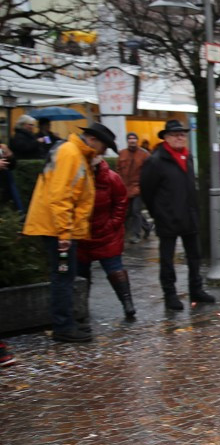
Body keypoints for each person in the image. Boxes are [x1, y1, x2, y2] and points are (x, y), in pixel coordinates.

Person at [22, 122, 115, 342]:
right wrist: (64, 234)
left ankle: (66, 323)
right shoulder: (71, 154)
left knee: (65, 275)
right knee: (63, 276)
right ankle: (63, 327)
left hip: (60, 228)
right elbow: (61, 196)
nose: (104, 152)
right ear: (93, 140)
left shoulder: (75, 154)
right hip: (58, 230)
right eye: (104, 146)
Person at [140, 120, 217, 310]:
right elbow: (147, 190)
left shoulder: (188, 157)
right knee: (167, 259)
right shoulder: (156, 160)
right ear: (166, 137)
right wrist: (157, 212)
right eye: (175, 135)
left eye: (182, 134)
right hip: (168, 217)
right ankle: (170, 294)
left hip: (189, 215)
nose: (179, 138)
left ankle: (196, 289)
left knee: (195, 256)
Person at [76, 155, 136, 320]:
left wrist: (113, 223)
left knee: (115, 268)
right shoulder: (77, 177)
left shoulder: (111, 178)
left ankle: (127, 303)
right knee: (81, 272)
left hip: (107, 233)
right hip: (83, 233)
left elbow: (121, 202)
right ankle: (81, 306)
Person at [117, 131, 151, 243]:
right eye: (130, 139)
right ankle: (147, 226)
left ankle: (136, 235)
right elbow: (118, 170)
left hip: (138, 187)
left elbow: (148, 171)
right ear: (127, 141)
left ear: (137, 140)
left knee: (136, 211)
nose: (132, 141)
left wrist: (144, 185)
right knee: (132, 211)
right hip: (126, 188)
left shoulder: (144, 154)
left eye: (134, 138)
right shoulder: (122, 154)